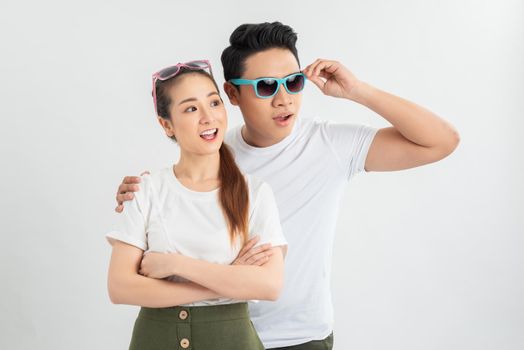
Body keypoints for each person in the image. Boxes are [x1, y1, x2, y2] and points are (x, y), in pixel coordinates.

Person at [115, 22, 460, 350]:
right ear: (233, 94)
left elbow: (440, 142)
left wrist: (357, 90)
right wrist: (142, 193)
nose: (284, 99)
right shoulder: (216, 152)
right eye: (266, 86)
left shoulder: (329, 144)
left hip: (302, 337)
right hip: (225, 332)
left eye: (294, 82)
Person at [106, 60, 288, 350]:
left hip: (232, 340)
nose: (208, 117)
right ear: (166, 125)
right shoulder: (146, 189)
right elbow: (120, 287)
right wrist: (225, 280)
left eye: (214, 103)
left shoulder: (255, 193)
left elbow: (269, 285)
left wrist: (177, 265)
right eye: (191, 108)